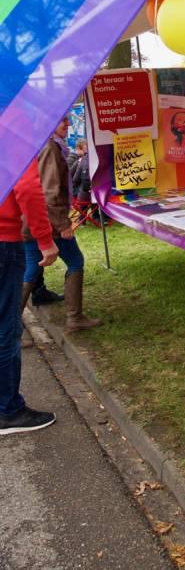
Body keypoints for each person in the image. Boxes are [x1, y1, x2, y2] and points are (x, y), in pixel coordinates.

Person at [22, 116, 102, 334]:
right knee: (75, 261)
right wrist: (62, 223)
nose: (67, 125)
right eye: (61, 121)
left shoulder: (39, 142)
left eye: (67, 120)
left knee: (29, 270)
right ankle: (74, 318)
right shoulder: (50, 147)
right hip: (48, 222)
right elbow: (51, 191)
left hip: (30, 221)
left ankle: (8, 325)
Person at [0, 159, 59, 434]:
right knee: (5, 329)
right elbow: (28, 189)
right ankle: (8, 411)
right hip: (3, 240)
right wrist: (45, 240)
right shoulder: (14, 124)